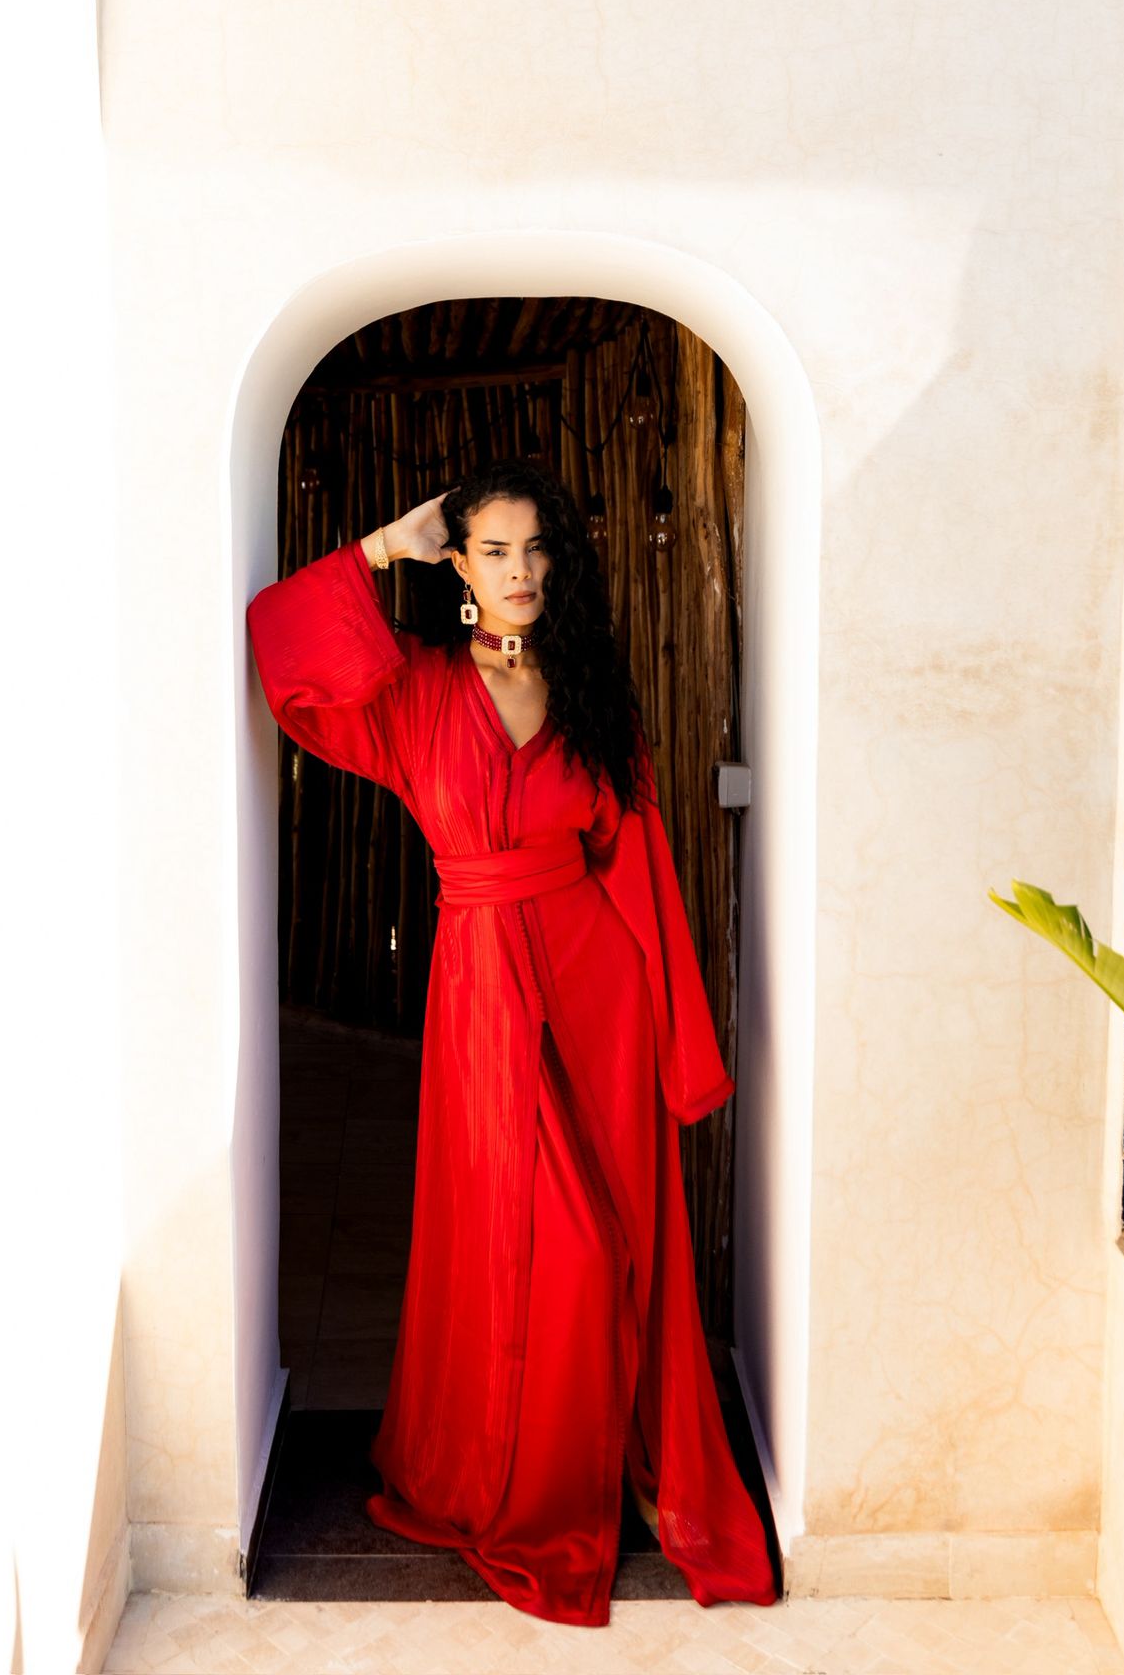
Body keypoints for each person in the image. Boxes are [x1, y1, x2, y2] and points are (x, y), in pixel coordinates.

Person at [245, 455, 778, 1626]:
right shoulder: (419, 693)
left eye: (537, 547)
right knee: (542, 1243)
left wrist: (674, 1033)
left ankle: (620, 1469)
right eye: (493, 548)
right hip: (483, 984)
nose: (521, 569)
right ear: (460, 562)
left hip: (599, 991)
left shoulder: (595, 692)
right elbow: (282, 646)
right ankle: (517, 1482)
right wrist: (383, 545)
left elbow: (636, 862)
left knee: (619, 1239)